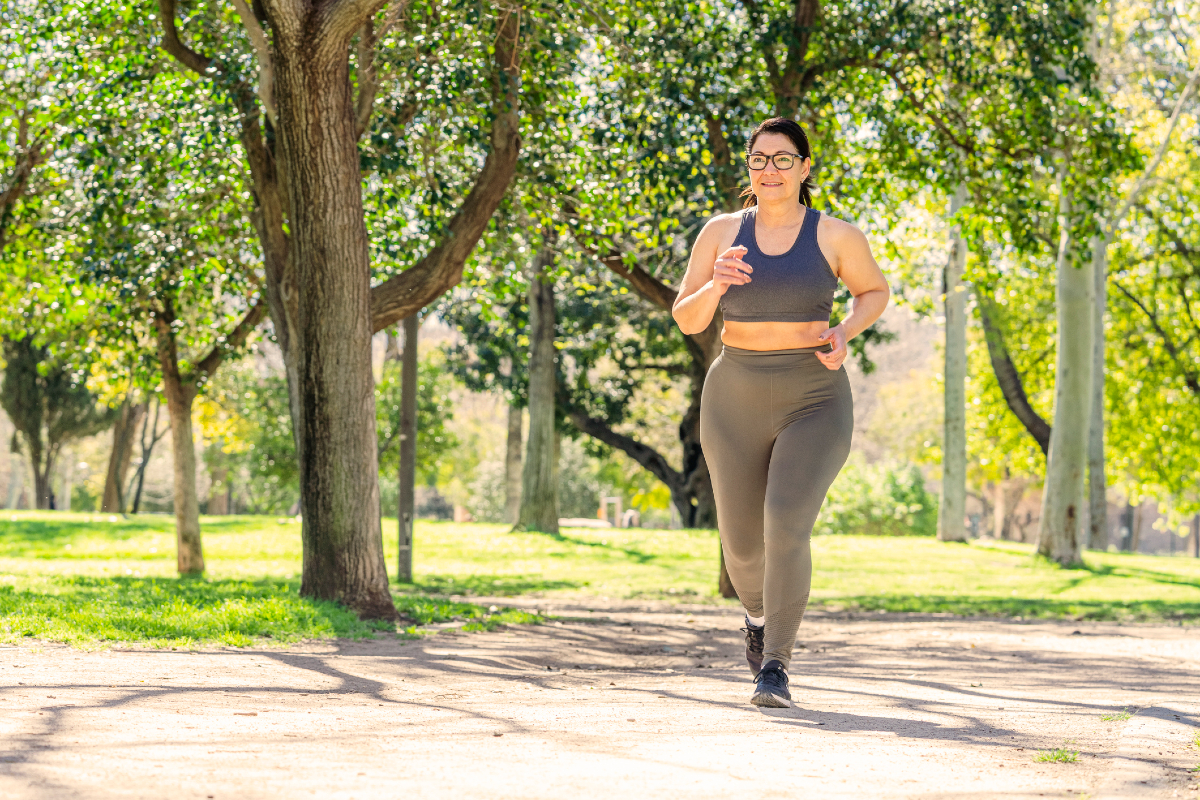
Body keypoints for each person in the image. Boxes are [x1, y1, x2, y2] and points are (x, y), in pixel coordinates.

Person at [672, 117, 889, 708]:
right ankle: (756, 617)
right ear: (749, 168)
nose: (770, 169)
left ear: (805, 167)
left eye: (783, 158)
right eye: (759, 159)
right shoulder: (720, 232)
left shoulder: (835, 236)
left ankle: (775, 666)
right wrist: (715, 285)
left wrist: (845, 330)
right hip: (734, 395)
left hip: (813, 396)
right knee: (742, 547)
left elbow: (874, 291)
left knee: (786, 520)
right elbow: (688, 319)